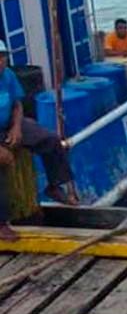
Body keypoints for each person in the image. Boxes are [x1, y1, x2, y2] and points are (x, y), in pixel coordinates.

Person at [0, 40, 78, 240]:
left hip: (9, 122)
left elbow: (17, 104)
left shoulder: (7, 75)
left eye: (3, 56)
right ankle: (1, 224)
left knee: (50, 140)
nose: (1, 61)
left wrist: (17, 127)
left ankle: (54, 185)